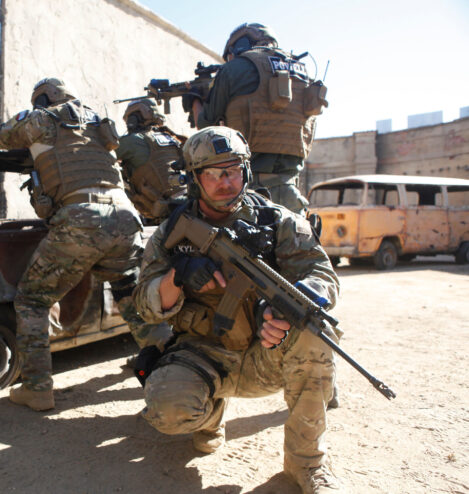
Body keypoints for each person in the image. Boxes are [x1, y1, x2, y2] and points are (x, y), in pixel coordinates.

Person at [132, 126, 343, 493]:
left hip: (266, 354)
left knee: (315, 330)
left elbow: (320, 272)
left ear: (245, 171)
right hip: (203, 353)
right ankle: (210, 414)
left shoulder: (279, 221)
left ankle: (306, 465)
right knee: (166, 409)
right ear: (195, 178)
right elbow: (145, 307)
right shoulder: (171, 233)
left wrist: (287, 309)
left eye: (232, 170)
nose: (225, 182)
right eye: (212, 174)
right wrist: (177, 277)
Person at [0, 78, 169, 412]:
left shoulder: (42, 118)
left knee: (32, 300)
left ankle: (37, 389)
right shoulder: (97, 123)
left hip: (82, 217)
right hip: (126, 217)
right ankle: (171, 375)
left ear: (43, 99)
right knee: (130, 295)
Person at [187, 23, 328, 216]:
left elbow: (206, 126)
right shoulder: (304, 74)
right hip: (291, 192)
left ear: (238, 46)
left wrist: (195, 99)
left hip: (247, 194)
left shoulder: (234, 68)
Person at [116, 98, 187, 223]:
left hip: (165, 208)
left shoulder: (133, 141)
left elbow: (102, 156)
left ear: (133, 119)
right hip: (185, 201)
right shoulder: (170, 137)